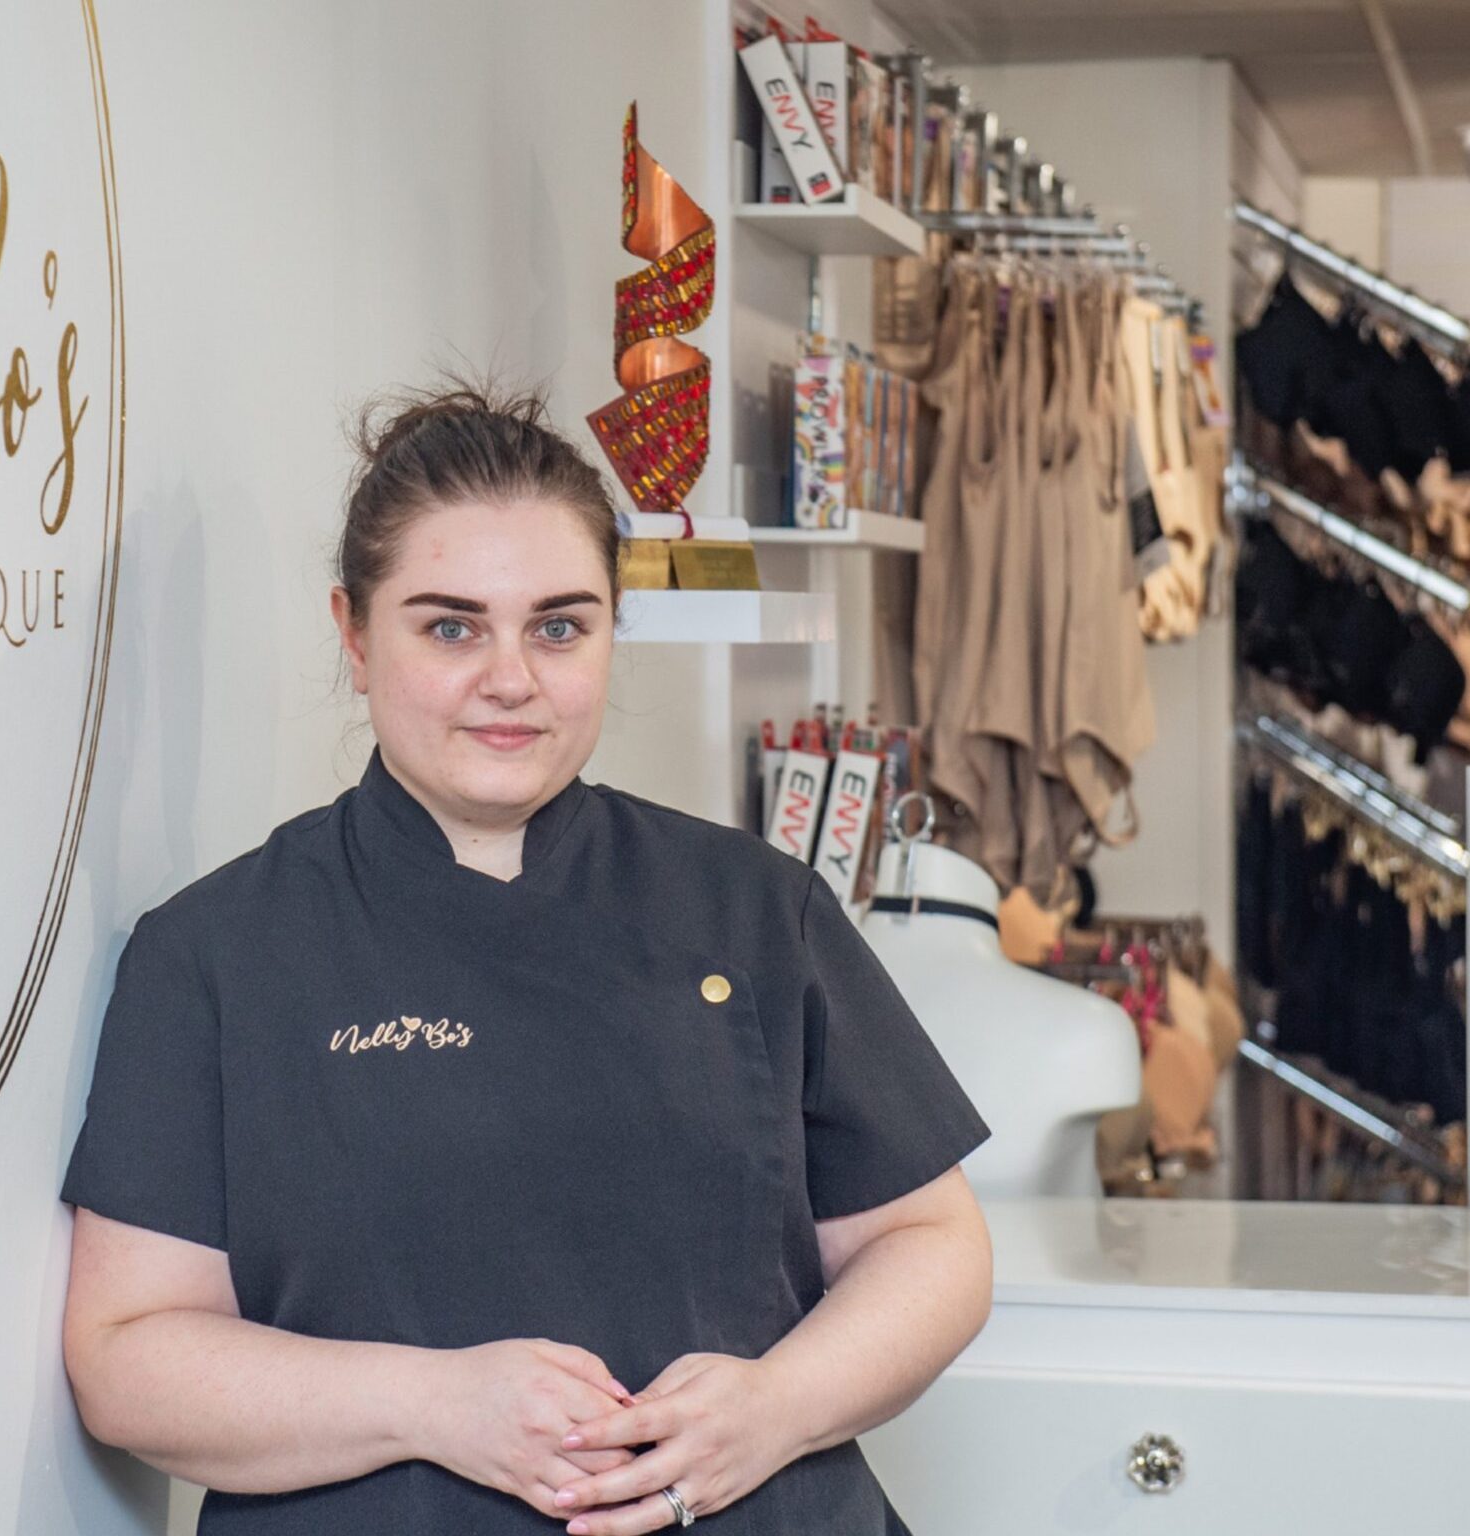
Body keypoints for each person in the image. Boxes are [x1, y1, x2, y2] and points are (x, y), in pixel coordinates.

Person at [60, 381, 996, 1534]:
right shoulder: (215, 955)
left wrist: (776, 1406)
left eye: (559, 625)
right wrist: (429, 1403)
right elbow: (127, 1358)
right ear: (353, 635)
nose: (511, 678)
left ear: (611, 631)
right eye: (450, 626)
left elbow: (931, 1243)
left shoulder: (753, 908)